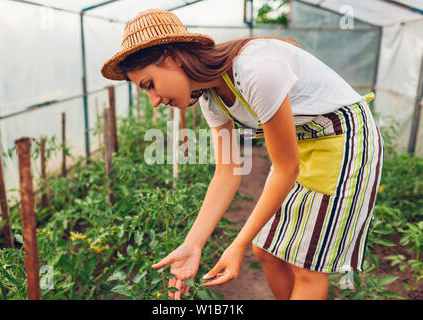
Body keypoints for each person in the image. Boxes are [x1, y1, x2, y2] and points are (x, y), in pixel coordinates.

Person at [101, 9, 384, 300]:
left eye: (149, 84)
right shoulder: (211, 99)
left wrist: (236, 244)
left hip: (345, 139)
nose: (154, 101)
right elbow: (227, 173)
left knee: (308, 269)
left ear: (171, 57)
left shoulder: (254, 72)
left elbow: (286, 168)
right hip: (301, 143)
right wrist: (193, 244)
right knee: (266, 251)